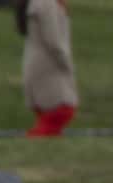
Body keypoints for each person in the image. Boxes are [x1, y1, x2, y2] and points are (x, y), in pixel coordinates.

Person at [20, 0, 79, 138]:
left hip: (42, 65)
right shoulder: (47, 3)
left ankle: (41, 140)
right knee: (63, 109)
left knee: (51, 119)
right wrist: (67, 63)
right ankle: (32, 139)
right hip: (49, 66)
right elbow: (53, 40)